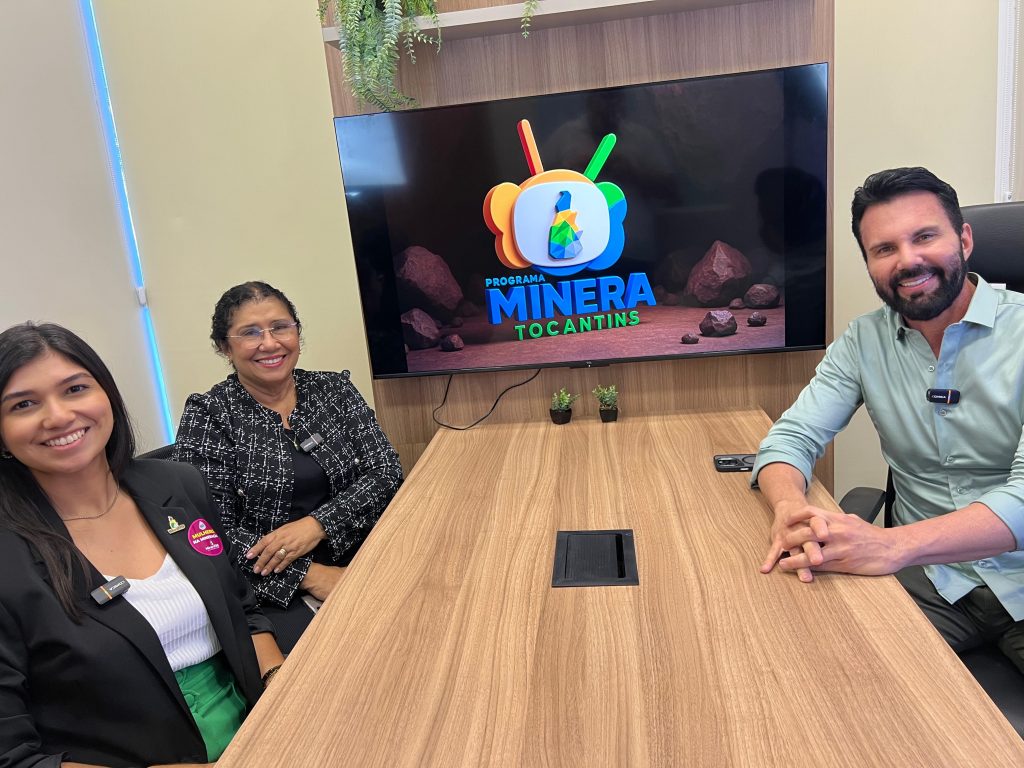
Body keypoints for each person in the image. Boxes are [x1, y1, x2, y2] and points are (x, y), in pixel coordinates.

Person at [754, 166, 1024, 672]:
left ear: (964, 238)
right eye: (884, 249)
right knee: (803, 669)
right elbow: (793, 436)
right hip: (933, 581)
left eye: (925, 236)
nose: (909, 260)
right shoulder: (864, 341)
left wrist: (891, 545)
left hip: (1001, 572)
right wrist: (788, 506)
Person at [0, 322, 284, 768]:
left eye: (74, 389)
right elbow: (11, 756)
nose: (57, 416)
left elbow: (242, 608)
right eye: (24, 404)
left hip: (262, 732)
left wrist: (280, 683)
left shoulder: (178, 484)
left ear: (107, 394)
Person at [173, 281, 402, 652]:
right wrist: (309, 575)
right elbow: (208, 531)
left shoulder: (333, 390)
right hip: (269, 587)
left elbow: (386, 472)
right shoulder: (210, 414)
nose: (269, 343)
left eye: (280, 327)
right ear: (224, 348)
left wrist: (318, 525)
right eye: (250, 333)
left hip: (366, 549)